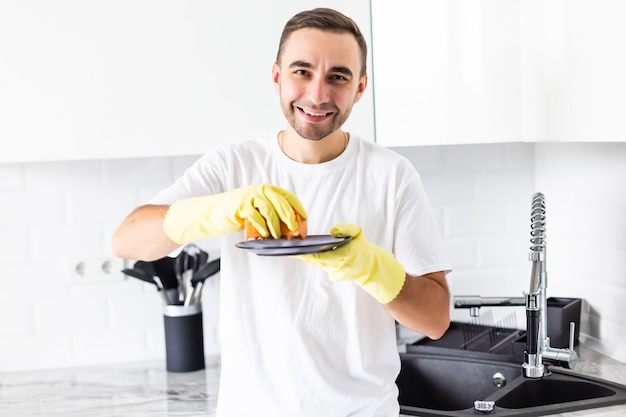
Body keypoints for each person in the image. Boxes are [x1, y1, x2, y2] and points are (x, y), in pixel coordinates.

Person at [112, 7, 451, 417]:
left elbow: (435, 320)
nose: (317, 95)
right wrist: (218, 209)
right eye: (302, 71)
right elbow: (127, 240)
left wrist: (373, 268)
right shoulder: (232, 166)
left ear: (360, 88)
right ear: (276, 77)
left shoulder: (392, 175)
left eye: (338, 77)